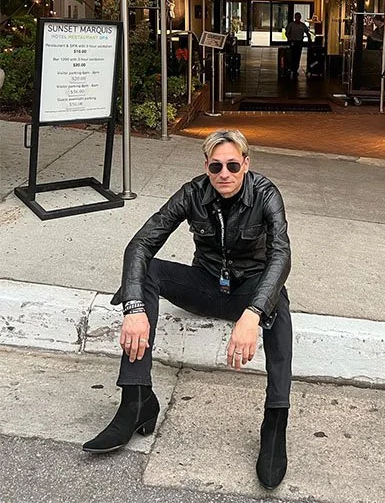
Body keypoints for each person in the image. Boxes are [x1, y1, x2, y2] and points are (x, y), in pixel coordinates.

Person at [83, 130, 293, 490]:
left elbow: (281, 255)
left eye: (231, 165)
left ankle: (275, 421)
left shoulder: (265, 194)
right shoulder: (193, 193)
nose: (223, 173)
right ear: (206, 167)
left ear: (246, 163)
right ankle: (136, 400)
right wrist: (134, 308)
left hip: (248, 290)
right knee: (146, 271)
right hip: (206, 285)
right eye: (215, 166)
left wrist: (254, 312)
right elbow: (141, 244)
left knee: (279, 305)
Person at [283, 12, 310, 79]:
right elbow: (287, 32)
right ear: (295, 17)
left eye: (299, 17)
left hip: (299, 42)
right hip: (293, 42)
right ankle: (291, 68)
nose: (298, 18)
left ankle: (295, 69)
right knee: (292, 55)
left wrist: (309, 39)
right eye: (297, 17)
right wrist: (289, 39)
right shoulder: (291, 24)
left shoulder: (302, 25)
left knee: (298, 56)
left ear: (300, 17)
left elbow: (307, 32)